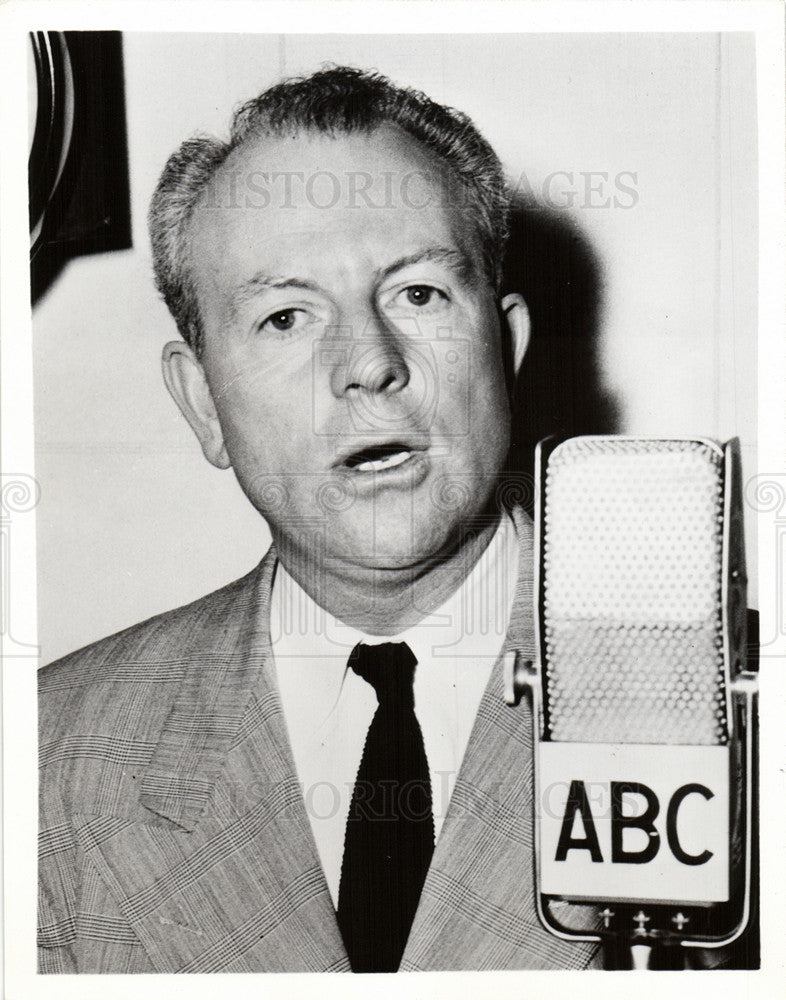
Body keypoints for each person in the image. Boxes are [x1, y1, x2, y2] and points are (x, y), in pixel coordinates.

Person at [38, 65, 733, 974]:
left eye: (418, 295)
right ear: (203, 403)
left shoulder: (735, 717)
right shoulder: (48, 758)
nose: (367, 363)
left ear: (506, 347)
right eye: (286, 317)